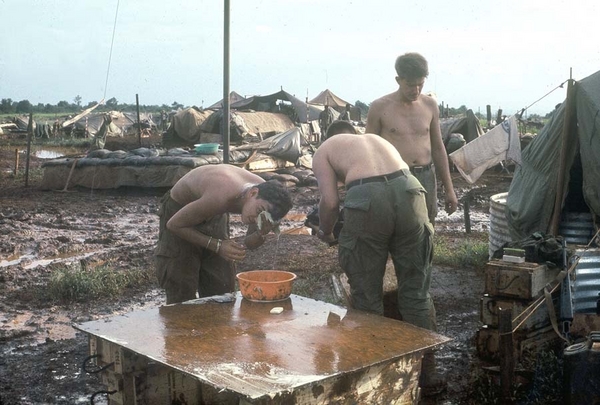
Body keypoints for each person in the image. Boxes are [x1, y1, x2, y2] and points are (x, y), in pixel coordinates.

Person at [312, 132, 446, 396]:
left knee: (367, 297)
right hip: (410, 189)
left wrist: (325, 231)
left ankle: (378, 379)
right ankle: (428, 373)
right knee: (416, 293)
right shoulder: (372, 140)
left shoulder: (323, 151)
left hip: (368, 198)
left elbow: (329, 202)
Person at [154, 164, 293, 305]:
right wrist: (218, 245)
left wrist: (261, 233)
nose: (258, 219)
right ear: (252, 193)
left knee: (221, 287)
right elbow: (174, 225)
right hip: (180, 210)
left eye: (263, 217)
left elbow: (249, 243)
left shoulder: (263, 202)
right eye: (259, 212)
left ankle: (216, 323)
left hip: (214, 212)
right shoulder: (222, 195)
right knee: (181, 283)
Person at [366, 52, 458, 223]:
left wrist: (449, 189)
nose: (416, 90)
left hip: (425, 177)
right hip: (392, 179)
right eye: (410, 85)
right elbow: (369, 151)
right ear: (398, 80)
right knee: (394, 229)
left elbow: (438, 149)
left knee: (425, 230)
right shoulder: (379, 108)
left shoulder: (430, 105)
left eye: (420, 84)